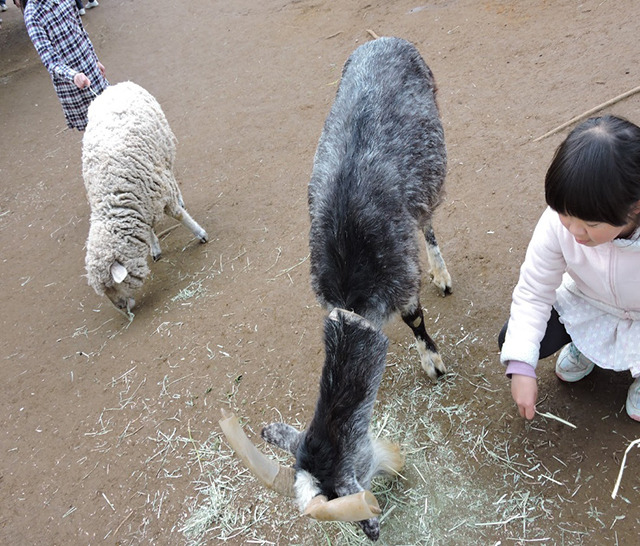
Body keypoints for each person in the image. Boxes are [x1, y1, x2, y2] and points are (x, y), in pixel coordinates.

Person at [499, 115, 640, 422]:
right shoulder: (558, 223)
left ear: (635, 206)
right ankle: (587, 343)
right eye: (565, 214)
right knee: (513, 338)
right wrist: (522, 365)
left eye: (591, 223)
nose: (575, 231)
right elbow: (534, 291)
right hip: (588, 302)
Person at [18, 0, 108, 130]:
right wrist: (74, 76)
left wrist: (95, 59)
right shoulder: (33, 15)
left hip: (91, 69)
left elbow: (81, 30)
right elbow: (50, 61)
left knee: (111, 115)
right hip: (73, 86)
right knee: (93, 129)